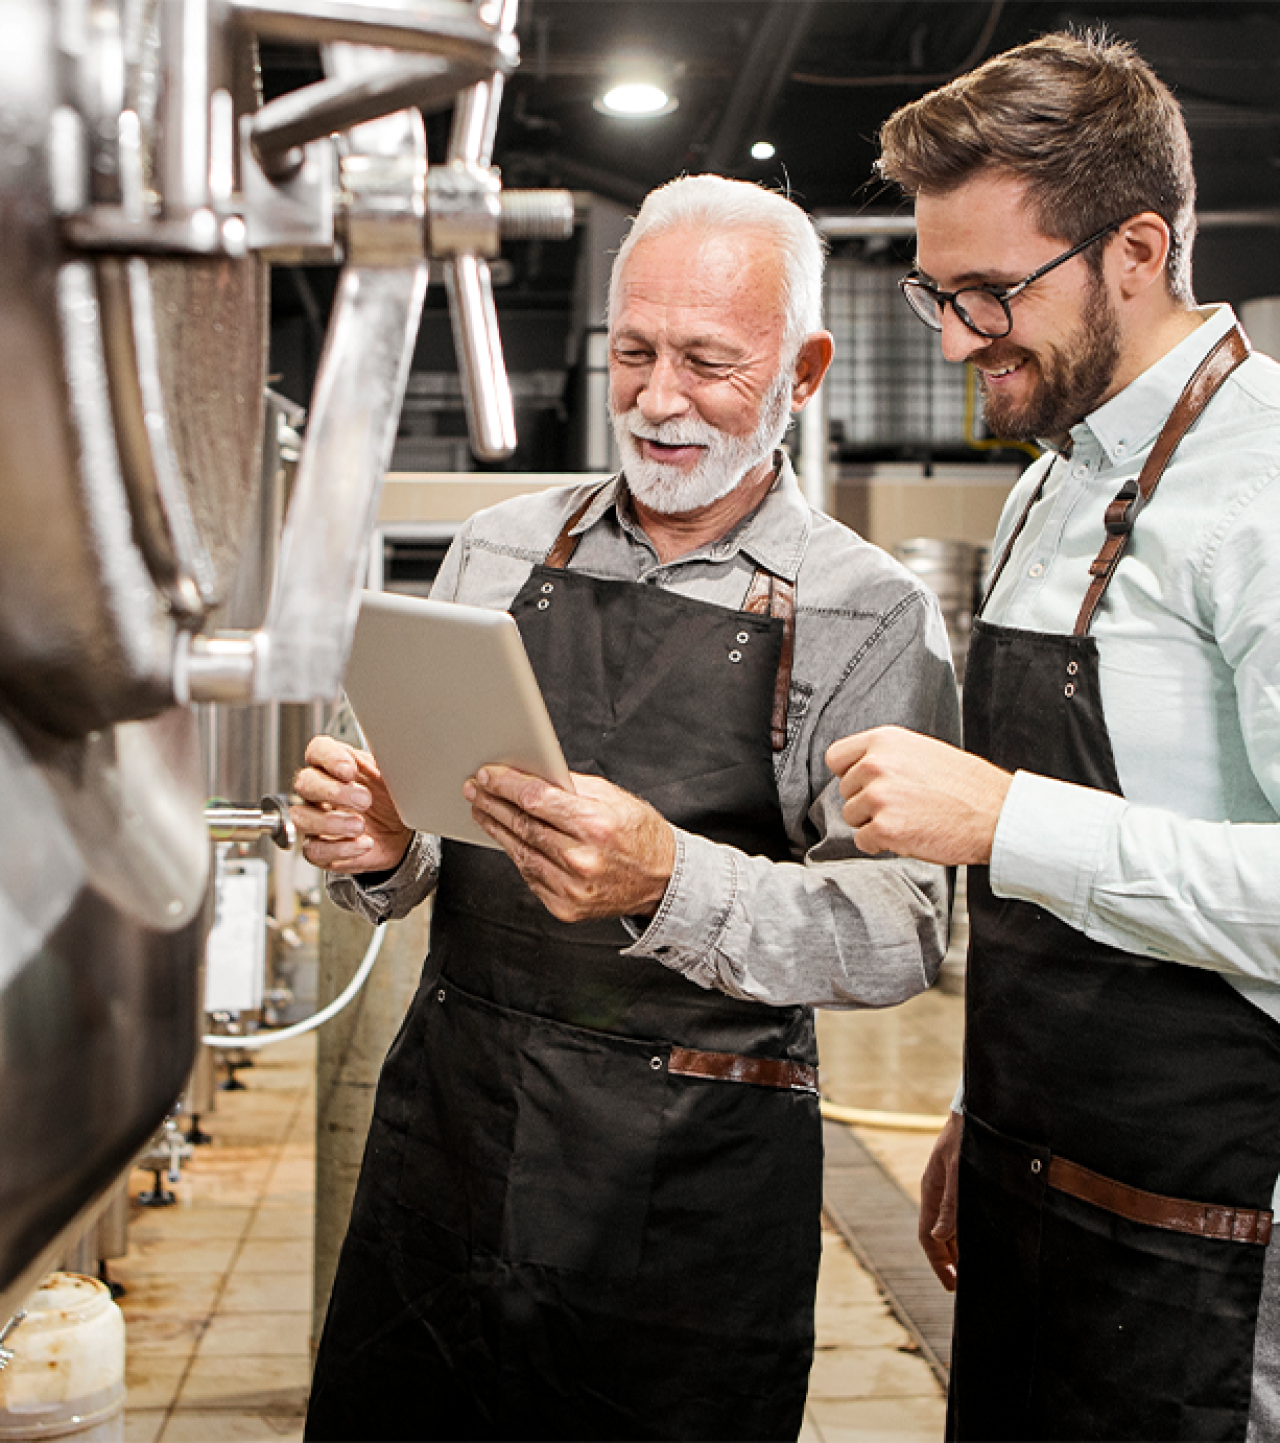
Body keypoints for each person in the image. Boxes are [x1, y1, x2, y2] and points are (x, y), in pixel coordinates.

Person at [293, 173, 960, 1442]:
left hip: (684, 1184)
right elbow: (406, 831)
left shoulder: (866, 612)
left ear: (803, 371)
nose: (657, 401)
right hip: (451, 1130)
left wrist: (669, 882)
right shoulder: (499, 547)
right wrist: (371, 847)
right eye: (634, 352)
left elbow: (902, 926)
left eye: (709, 362)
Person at [826, 30, 1280, 1442]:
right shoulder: (1048, 487)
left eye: (989, 291)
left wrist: (1005, 817)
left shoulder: (1262, 486)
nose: (958, 336)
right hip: (1039, 1186)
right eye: (934, 292)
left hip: (1215, 1239)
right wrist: (988, 1103)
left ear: (1136, 248)